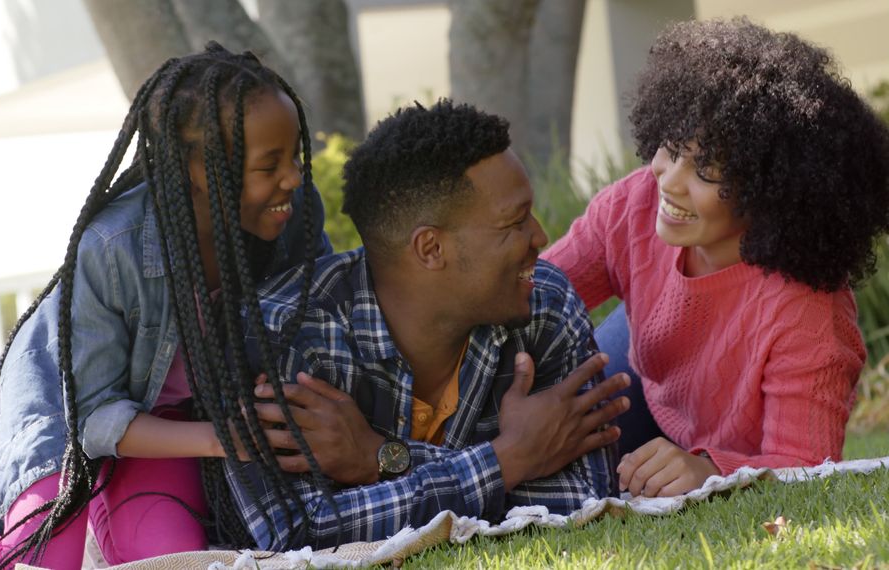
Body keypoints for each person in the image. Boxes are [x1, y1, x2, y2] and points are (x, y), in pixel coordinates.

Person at [0, 43, 334, 569]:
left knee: (173, 565)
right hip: (69, 415)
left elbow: (322, 336)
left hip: (167, 428)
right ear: (197, 169)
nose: (293, 176)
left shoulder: (293, 218)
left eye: (295, 156)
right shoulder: (114, 246)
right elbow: (96, 417)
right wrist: (222, 438)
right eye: (270, 165)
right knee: (34, 567)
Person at [225, 100, 632, 551]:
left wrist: (382, 459)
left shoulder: (545, 304)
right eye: (515, 222)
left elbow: (583, 501)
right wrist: (510, 459)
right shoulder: (281, 335)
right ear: (430, 248)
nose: (540, 237)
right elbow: (296, 534)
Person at [541, 18, 889, 498]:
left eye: (706, 169)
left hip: (722, 446)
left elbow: (806, 470)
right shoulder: (633, 204)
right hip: (648, 377)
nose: (669, 180)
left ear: (772, 191)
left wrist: (709, 473)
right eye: (672, 149)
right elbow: (531, 296)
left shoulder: (809, 313)